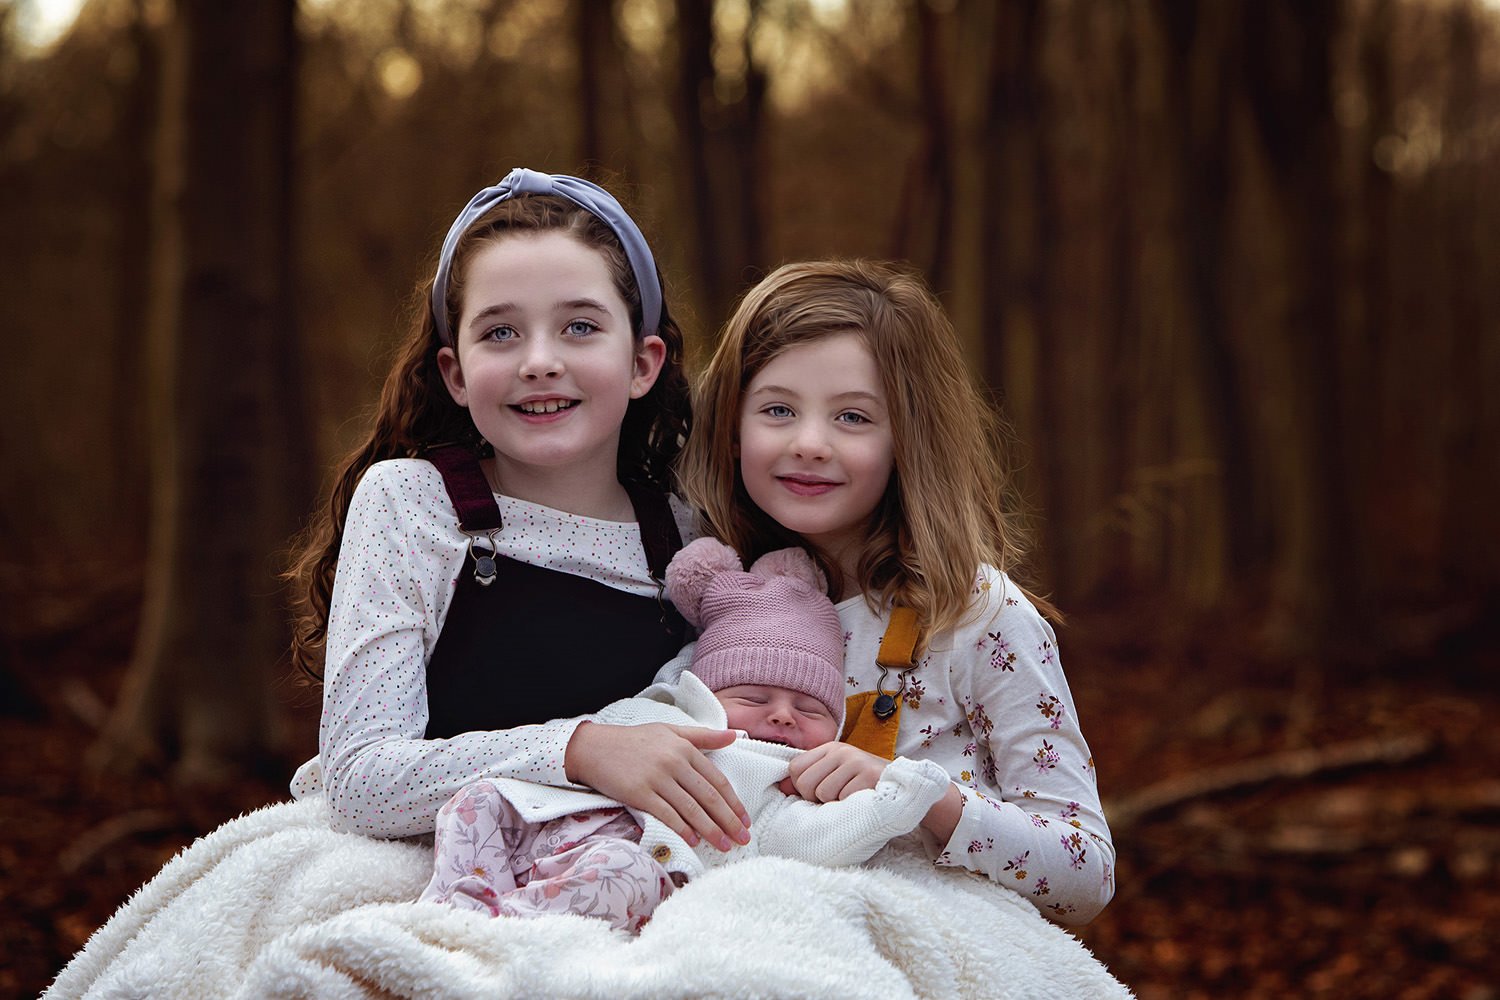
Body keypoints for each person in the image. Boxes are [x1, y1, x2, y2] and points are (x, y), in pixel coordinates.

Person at [284, 168, 751, 855]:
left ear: (643, 363)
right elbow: (360, 783)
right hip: (434, 877)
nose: (539, 361)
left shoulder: (691, 539)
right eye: (500, 333)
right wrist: (581, 751)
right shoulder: (411, 505)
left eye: (581, 326)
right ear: (456, 373)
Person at [670, 258, 1116, 925]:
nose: (811, 443)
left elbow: (1085, 872)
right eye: (778, 409)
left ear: (909, 439)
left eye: (852, 417)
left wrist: (917, 796)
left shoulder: (975, 617)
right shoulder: (715, 602)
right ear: (733, 430)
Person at [418, 537, 950, 933]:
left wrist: (899, 796)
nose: (784, 716)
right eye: (755, 699)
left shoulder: (779, 788)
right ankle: (449, 907)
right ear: (706, 692)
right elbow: (570, 742)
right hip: (548, 827)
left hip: (638, 863)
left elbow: (819, 840)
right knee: (479, 799)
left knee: (618, 872)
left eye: (809, 708)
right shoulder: (657, 712)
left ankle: (495, 928)